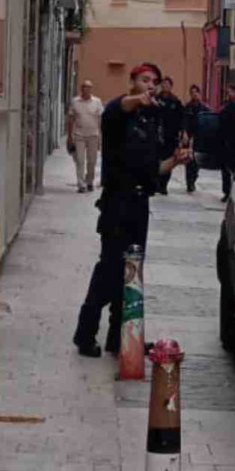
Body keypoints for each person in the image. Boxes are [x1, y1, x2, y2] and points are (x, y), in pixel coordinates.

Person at [72, 63, 191, 358]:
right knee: (109, 270)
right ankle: (85, 333)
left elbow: (153, 170)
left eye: (154, 81)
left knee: (132, 273)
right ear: (132, 82)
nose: (151, 85)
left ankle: (120, 337)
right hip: (117, 204)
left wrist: (174, 162)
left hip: (139, 206)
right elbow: (119, 107)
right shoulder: (117, 113)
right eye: (144, 80)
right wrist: (138, 99)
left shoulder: (150, 121)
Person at [67, 80, 104, 193]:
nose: (86, 89)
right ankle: (81, 184)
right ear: (81, 89)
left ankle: (89, 181)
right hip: (79, 135)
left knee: (92, 161)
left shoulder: (97, 102)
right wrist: (69, 136)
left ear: (91, 89)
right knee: (79, 160)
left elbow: (100, 119)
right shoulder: (75, 102)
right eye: (84, 87)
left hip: (93, 135)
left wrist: (101, 137)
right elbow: (71, 119)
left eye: (89, 87)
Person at [155, 77, 184, 195]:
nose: (165, 86)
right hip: (157, 135)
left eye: (167, 84)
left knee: (169, 160)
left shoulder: (175, 101)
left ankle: (164, 185)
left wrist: (182, 133)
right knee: (157, 159)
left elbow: (181, 119)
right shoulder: (156, 99)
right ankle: (156, 183)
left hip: (171, 136)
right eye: (163, 84)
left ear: (171, 86)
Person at [218, 84, 235, 203]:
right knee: (225, 169)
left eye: (230, 92)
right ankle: (226, 192)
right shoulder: (226, 107)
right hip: (225, 142)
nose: (228, 94)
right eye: (227, 92)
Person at [182, 84, 209, 194]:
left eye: (196, 92)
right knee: (188, 160)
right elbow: (183, 121)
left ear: (199, 93)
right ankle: (189, 183)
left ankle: (193, 179)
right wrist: (184, 133)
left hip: (199, 138)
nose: (194, 94)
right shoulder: (187, 107)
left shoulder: (204, 108)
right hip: (188, 137)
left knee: (196, 161)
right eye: (192, 92)